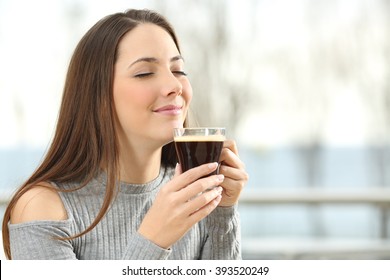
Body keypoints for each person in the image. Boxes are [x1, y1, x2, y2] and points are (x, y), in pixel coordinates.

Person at [2, 8, 248, 260]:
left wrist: (223, 212)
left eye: (178, 71)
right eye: (144, 73)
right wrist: (153, 240)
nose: (175, 86)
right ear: (97, 95)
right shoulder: (42, 207)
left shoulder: (194, 191)